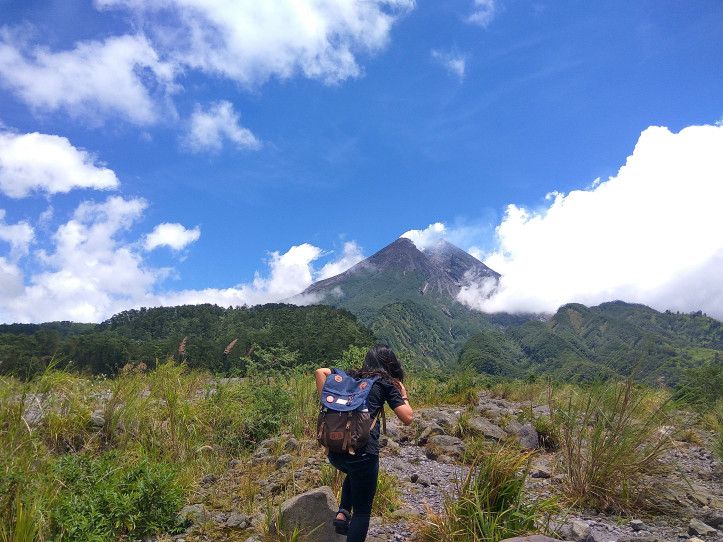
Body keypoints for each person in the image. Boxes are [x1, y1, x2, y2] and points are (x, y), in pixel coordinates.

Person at [314, 344, 413, 542]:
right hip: (363, 454)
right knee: (362, 513)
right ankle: (347, 513)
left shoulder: (352, 376)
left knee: (354, 471)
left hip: (335, 452)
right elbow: (408, 417)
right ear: (390, 364)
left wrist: (325, 400)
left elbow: (320, 371)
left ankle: (343, 511)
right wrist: (403, 394)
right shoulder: (385, 383)